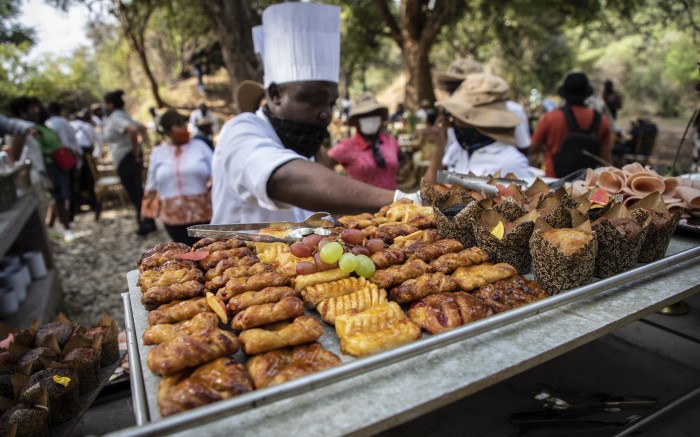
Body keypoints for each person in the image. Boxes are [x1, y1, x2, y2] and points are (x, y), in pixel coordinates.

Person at [211, 3, 405, 225]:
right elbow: (287, 179)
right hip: (238, 257)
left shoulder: (302, 143)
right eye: (314, 99)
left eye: (331, 103)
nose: (326, 114)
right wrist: (399, 200)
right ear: (275, 94)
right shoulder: (240, 131)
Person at [424, 73, 531, 182]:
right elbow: (428, 189)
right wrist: (439, 147)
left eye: (459, 116)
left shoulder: (510, 162)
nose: (453, 121)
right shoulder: (457, 150)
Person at [142, 110, 213, 245]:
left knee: (205, 250)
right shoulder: (158, 153)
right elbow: (151, 183)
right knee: (183, 253)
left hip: (202, 214)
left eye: (184, 124)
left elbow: (217, 175)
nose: (184, 128)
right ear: (168, 131)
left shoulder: (200, 147)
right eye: (178, 125)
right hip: (172, 217)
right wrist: (147, 212)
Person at [10, 97, 74, 241]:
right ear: (23, 111)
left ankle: (46, 237)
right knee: (39, 208)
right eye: (32, 108)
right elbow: (15, 157)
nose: (36, 111)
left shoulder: (29, 127)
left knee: (45, 204)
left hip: (38, 173)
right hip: (30, 176)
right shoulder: (18, 128)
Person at [435, 58, 532, 153]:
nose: (456, 92)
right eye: (452, 87)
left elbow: (523, 149)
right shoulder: (451, 115)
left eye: (460, 85)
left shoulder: (511, 110)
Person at [530, 72, 613, 178]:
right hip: (585, 185)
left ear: (564, 93)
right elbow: (605, 160)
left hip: (554, 182)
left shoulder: (550, 118)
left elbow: (533, 149)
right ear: (586, 93)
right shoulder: (601, 120)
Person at [102, 90, 157, 236]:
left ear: (110, 104)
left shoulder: (115, 117)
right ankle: (149, 222)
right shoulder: (124, 115)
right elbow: (141, 128)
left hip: (126, 160)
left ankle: (144, 224)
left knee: (135, 194)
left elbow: (133, 130)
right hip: (131, 158)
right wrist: (140, 147)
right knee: (139, 192)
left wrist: (135, 150)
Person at [326, 93, 400, 190]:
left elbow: (400, 158)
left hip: (392, 202)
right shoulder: (347, 146)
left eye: (374, 114)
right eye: (364, 115)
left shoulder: (390, 141)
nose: (370, 118)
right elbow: (324, 164)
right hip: (362, 204)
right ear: (356, 121)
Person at [70, 109, 100, 219]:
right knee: (88, 180)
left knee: (77, 182)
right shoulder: (86, 126)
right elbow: (96, 140)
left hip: (74, 155)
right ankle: (92, 201)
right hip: (86, 154)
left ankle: (81, 205)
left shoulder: (70, 126)